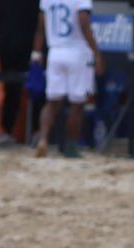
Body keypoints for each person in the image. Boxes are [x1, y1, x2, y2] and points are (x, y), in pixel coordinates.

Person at [31, 0, 103, 158]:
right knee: (77, 104)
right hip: (77, 51)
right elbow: (83, 21)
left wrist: (36, 52)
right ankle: (71, 147)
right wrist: (96, 52)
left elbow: (41, 27)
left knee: (51, 102)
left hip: (55, 51)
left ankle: (43, 139)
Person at [0, 0, 38, 144]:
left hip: (27, 45)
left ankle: (37, 131)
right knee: (11, 89)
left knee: (36, 89)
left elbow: (40, 19)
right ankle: (7, 131)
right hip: (10, 45)